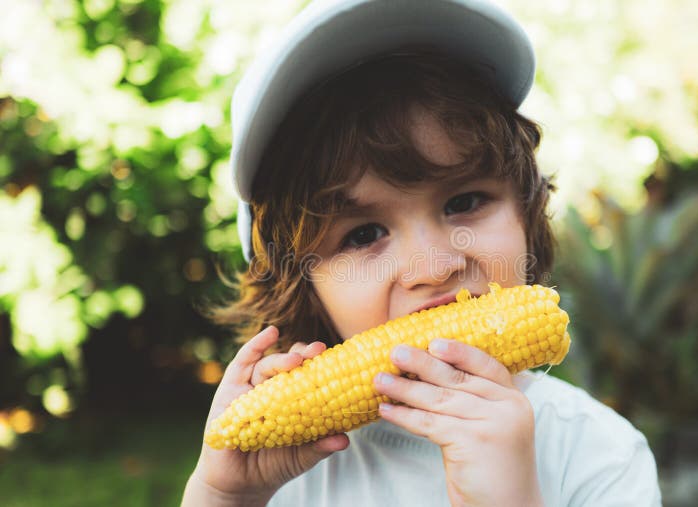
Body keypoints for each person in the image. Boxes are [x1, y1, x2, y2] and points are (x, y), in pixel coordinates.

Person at [181, 0, 662, 505]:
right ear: (306, 288)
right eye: (364, 234)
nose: (434, 266)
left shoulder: (599, 456)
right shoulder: (281, 474)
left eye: (464, 202)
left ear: (526, 212)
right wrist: (224, 495)